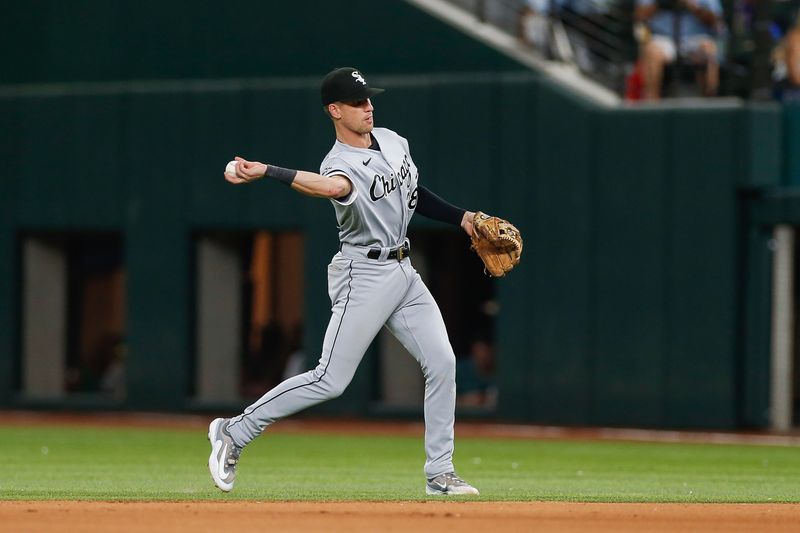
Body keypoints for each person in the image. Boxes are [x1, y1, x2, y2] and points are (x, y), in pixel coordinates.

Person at [207, 67, 481, 496]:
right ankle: (233, 430)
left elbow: (413, 192)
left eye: (368, 98)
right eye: (356, 102)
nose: (367, 106)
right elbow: (328, 187)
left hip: (404, 272)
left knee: (443, 364)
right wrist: (268, 171)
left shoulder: (393, 140)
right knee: (330, 378)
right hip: (364, 273)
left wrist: (462, 218)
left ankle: (439, 473)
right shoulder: (339, 163)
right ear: (335, 110)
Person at [635, 0, 724, 99]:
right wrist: (661, 3)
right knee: (651, 51)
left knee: (709, 49)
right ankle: (652, 106)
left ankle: (709, 104)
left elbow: (714, 20)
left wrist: (693, 6)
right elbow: (640, 15)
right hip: (663, 38)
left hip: (696, 38)